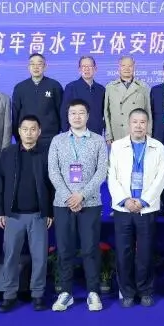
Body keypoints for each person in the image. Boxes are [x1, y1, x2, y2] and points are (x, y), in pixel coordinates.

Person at [47, 99, 109, 312]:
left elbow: (101, 172)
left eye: (81, 113)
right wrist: (69, 197)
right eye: (72, 113)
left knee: (90, 248)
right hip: (63, 204)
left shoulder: (98, 140)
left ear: (88, 116)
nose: (76, 116)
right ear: (67, 116)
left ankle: (93, 292)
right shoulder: (58, 140)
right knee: (65, 249)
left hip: (90, 203)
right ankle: (66, 293)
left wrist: (81, 195)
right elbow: (53, 171)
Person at [107, 109, 164, 307]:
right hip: (123, 209)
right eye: (135, 122)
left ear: (147, 124)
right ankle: (127, 292)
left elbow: (160, 177)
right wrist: (125, 200)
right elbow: (112, 176)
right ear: (129, 124)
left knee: (145, 252)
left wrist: (143, 201)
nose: (139, 126)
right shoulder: (117, 146)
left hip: (146, 208)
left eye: (142, 122)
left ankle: (145, 290)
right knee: (123, 252)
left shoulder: (157, 146)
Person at [0, 115, 54, 312]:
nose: (29, 133)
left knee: (40, 258)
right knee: (10, 256)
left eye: (33, 129)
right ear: (19, 132)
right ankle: (9, 295)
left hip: (38, 215)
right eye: (25, 129)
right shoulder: (7, 153)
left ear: (39, 132)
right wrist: (0, 211)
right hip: (13, 216)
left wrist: (49, 212)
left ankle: (38, 294)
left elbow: (52, 185)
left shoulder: (46, 153)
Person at [12, 53, 64, 140]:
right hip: (27, 136)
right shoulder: (20, 87)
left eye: (39, 64)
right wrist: (17, 135)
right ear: (28, 67)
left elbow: (61, 111)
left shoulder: (54, 85)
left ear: (45, 67)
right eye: (32, 64)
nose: (36, 67)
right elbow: (15, 114)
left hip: (50, 135)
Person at [104, 56, 152, 143]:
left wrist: (148, 133)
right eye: (123, 65)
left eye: (130, 66)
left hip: (138, 132)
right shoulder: (110, 87)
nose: (127, 68)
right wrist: (108, 135)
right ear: (119, 67)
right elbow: (106, 113)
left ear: (134, 67)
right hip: (117, 133)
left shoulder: (143, 87)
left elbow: (148, 112)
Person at [61, 56, 106, 136]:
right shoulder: (71, 87)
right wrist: (66, 132)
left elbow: (104, 113)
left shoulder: (101, 89)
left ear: (95, 69)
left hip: (96, 133)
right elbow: (64, 112)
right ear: (79, 69)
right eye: (83, 66)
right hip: (76, 134)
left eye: (90, 66)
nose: (87, 69)